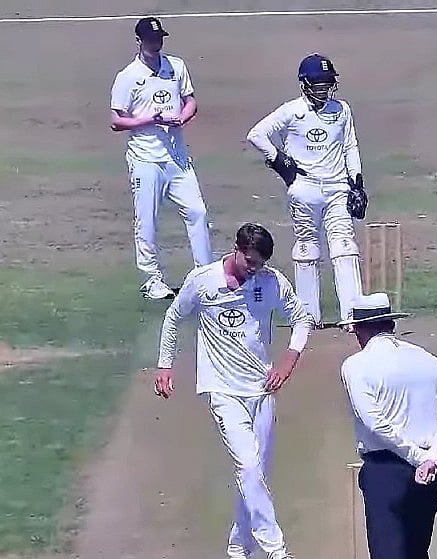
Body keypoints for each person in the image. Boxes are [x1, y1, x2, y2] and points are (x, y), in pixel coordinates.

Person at [154, 223, 312, 559]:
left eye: (260, 264)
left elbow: (302, 320)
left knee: (255, 475)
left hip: (262, 389)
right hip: (223, 390)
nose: (254, 269)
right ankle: (277, 551)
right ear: (236, 249)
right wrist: (165, 365)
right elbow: (173, 317)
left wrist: (287, 362)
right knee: (249, 468)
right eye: (250, 261)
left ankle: (239, 548)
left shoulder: (270, 282)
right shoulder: (203, 280)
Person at [245, 52, 368, 330]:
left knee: (344, 247)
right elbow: (256, 134)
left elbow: (350, 146)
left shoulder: (342, 110)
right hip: (304, 188)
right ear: (305, 84)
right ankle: (308, 315)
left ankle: (353, 314)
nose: (324, 89)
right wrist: (279, 162)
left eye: (328, 83)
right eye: (319, 84)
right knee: (307, 248)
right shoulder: (291, 111)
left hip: (338, 188)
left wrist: (357, 182)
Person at [338, 293, 437, 559]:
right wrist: (432, 458)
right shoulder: (428, 360)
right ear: (391, 325)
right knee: (417, 552)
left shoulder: (356, 366)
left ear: (359, 329)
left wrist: (420, 459)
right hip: (431, 474)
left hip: (386, 472)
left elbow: (375, 423)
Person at [110, 16, 213, 300]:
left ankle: (204, 274)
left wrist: (181, 117)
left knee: (197, 212)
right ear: (139, 41)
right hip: (145, 158)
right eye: (151, 40)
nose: (156, 44)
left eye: (159, 39)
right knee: (147, 220)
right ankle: (152, 279)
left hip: (178, 158)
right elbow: (116, 120)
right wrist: (148, 120)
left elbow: (190, 100)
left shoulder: (175, 67)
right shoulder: (128, 76)